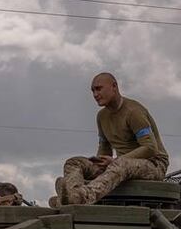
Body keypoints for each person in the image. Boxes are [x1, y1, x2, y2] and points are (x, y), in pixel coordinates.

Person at [51, 73, 169, 206]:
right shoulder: (101, 116)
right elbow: (104, 148)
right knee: (74, 162)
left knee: (121, 165)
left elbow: (150, 148)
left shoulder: (134, 111)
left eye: (99, 88)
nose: (95, 94)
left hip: (153, 165)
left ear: (114, 87)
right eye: (93, 91)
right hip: (120, 165)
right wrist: (97, 164)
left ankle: (84, 197)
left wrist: (116, 160)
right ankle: (72, 194)